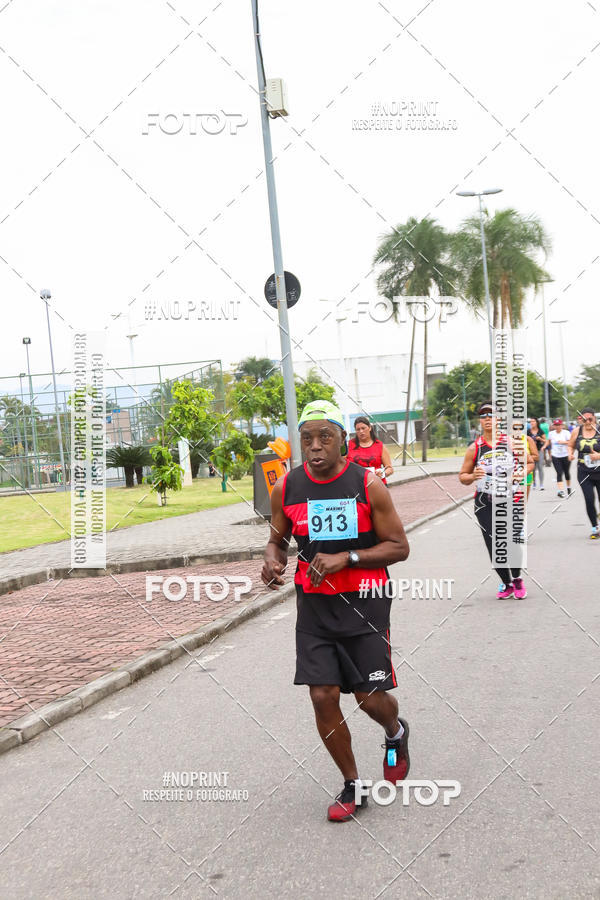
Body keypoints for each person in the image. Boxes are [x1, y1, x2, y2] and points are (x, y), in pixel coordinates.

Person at [261, 400, 410, 822]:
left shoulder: (368, 484)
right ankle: (353, 783)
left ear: (343, 439)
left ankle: (395, 732)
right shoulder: (286, 488)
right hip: (315, 609)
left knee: (369, 698)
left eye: (325, 436)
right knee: (322, 693)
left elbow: (399, 546)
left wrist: (349, 557)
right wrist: (272, 560)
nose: (315, 446)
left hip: (365, 602)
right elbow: (277, 540)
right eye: (306, 438)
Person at [459, 402, 533, 600]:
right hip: (485, 502)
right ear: (480, 421)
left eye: (491, 415)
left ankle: (517, 578)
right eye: (483, 416)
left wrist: (521, 473)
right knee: (493, 543)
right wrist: (473, 475)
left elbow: (531, 462)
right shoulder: (474, 448)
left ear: (498, 419)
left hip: (510, 498)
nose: (487, 419)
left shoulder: (512, 443)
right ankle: (507, 582)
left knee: (511, 540)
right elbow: (463, 477)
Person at [568, 407, 600, 539]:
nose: (587, 422)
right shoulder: (577, 431)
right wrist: (570, 453)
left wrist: (599, 456)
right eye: (584, 419)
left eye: (590, 419)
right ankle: (595, 527)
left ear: (595, 418)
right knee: (589, 499)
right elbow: (571, 445)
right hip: (583, 471)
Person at [347, 416, 394, 484]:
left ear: (369, 428)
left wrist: (383, 473)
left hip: (377, 485)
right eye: (358, 429)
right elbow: (342, 464)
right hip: (356, 486)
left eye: (363, 428)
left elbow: (389, 469)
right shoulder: (349, 445)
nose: (361, 431)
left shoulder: (380, 446)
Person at [543, 419, 572, 497]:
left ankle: (568, 487)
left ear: (562, 425)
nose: (557, 427)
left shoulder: (566, 433)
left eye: (559, 425)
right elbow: (548, 441)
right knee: (559, 473)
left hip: (565, 455)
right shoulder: (551, 433)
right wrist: (544, 446)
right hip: (555, 456)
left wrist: (563, 442)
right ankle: (561, 491)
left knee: (566, 473)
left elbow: (571, 443)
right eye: (555, 425)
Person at [528, 416, 546, 491]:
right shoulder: (528, 431)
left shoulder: (540, 431)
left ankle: (541, 484)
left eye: (533, 421)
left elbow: (545, 441)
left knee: (540, 467)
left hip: (539, 451)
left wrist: (540, 439)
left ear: (537, 422)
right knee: (533, 468)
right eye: (531, 421)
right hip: (531, 452)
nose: (532, 423)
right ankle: (534, 483)